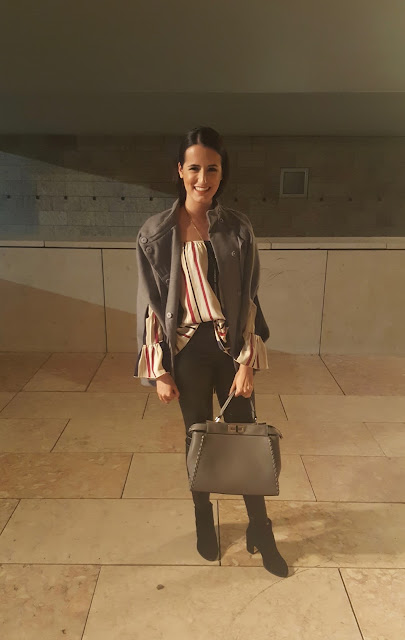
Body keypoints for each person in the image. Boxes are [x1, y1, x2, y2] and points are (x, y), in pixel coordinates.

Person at [134, 126, 288, 578]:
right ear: (180, 171)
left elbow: (250, 298)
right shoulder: (155, 233)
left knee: (245, 435)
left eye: (213, 169)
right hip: (186, 352)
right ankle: (204, 517)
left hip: (228, 348)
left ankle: (261, 528)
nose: (204, 179)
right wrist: (160, 371)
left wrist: (246, 363)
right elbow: (150, 304)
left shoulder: (237, 228)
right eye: (195, 168)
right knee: (196, 438)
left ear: (223, 173)